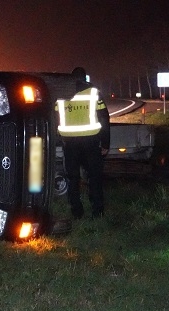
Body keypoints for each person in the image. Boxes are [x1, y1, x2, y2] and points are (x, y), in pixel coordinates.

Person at [57, 67, 110, 219]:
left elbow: (55, 117)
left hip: (70, 143)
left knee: (73, 178)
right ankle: (97, 211)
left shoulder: (61, 95)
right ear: (85, 78)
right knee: (94, 176)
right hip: (91, 142)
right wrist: (105, 143)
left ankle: (76, 212)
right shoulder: (93, 92)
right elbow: (104, 118)